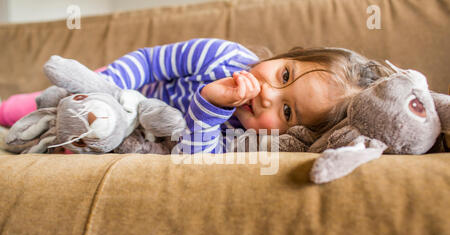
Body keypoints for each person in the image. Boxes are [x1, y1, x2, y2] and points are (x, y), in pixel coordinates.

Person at [0, 38, 391, 154]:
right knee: (25, 106)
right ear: (287, 55)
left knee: (54, 137)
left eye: (288, 111)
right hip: (119, 92)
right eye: (284, 74)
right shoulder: (223, 55)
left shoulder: (250, 141)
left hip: (134, 135)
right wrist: (107, 86)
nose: (268, 94)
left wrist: (209, 108)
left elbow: (190, 158)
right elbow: (151, 62)